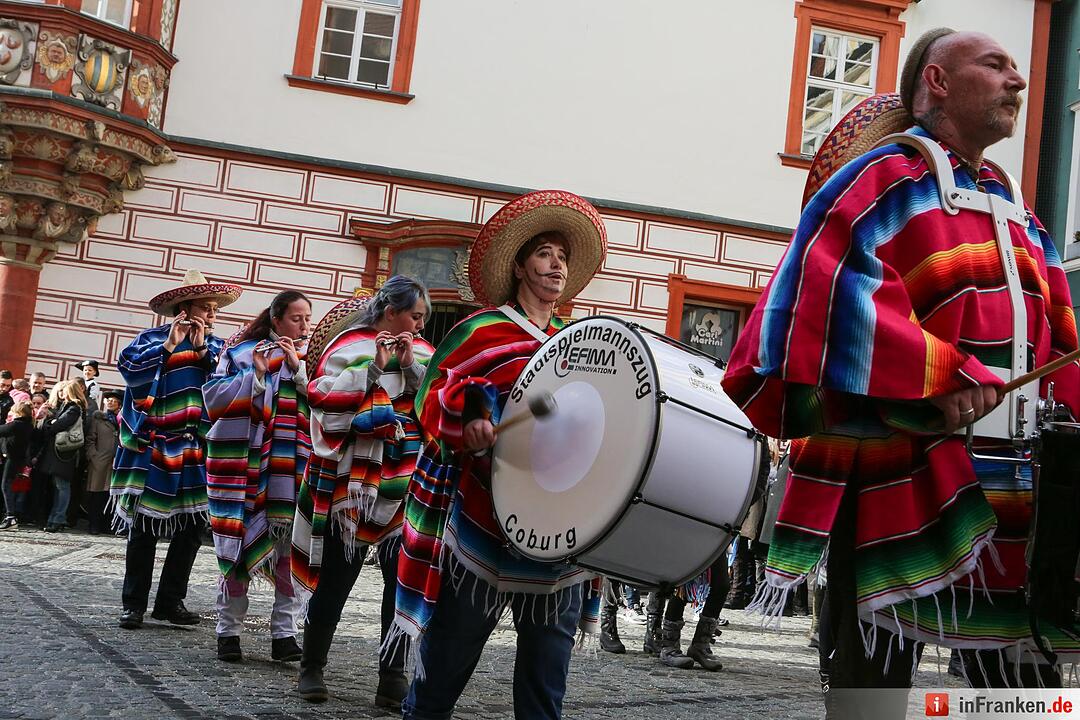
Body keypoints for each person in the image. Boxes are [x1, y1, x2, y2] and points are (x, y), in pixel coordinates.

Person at [721, 29, 1079, 716]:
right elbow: (821, 303)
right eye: (996, 65)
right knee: (872, 692)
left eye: (1017, 68)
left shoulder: (1023, 219)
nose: (1019, 81)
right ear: (938, 81)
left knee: (1029, 693)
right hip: (895, 466)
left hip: (1017, 489)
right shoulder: (881, 179)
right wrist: (945, 379)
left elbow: (1059, 338)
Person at [393, 190, 607, 720]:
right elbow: (433, 394)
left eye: (562, 256)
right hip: (484, 525)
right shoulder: (482, 330)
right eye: (544, 254)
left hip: (555, 536)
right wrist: (471, 421)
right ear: (519, 266)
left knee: (544, 686)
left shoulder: (577, 344)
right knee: (445, 666)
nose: (556, 264)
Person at [291, 276, 434, 708]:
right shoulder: (350, 345)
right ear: (390, 312)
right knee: (336, 577)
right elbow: (322, 399)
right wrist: (373, 366)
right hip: (350, 486)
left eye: (424, 318)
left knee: (400, 580)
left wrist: (409, 367)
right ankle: (311, 666)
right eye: (415, 315)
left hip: (405, 482)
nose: (421, 326)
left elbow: (436, 402)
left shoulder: (424, 352)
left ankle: (391, 676)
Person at [112, 269, 242, 630]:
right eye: (206, 307)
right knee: (144, 527)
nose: (213, 315)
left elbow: (226, 384)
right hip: (153, 443)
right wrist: (169, 346)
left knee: (190, 528)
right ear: (184, 309)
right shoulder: (149, 340)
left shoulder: (216, 347)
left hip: (195, 447)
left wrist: (200, 351)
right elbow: (132, 373)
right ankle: (133, 604)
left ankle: (170, 601)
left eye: (215, 309)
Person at [203, 290, 313, 664]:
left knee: (289, 555)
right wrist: (257, 375)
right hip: (245, 474)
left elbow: (326, 404)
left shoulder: (310, 359)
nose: (304, 326)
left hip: (291, 474)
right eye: (297, 318)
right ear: (277, 318)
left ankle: (285, 633)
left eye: (308, 319)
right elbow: (214, 399)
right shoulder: (239, 353)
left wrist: (298, 369)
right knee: (236, 553)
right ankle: (228, 631)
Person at [37, 380, 87, 533]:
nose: (60, 393)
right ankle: (54, 519)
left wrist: (50, 422)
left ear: (70, 392)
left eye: (63, 390)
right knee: (58, 486)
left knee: (62, 486)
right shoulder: (66, 407)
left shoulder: (73, 408)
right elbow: (52, 425)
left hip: (65, 453)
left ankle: (58, 519)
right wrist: (51, 422)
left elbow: (56, 426)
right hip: (60, 452)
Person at [85, 389, 122, 535]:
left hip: (117, 463)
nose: (110, 402)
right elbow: (90, 440)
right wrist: (93, 456)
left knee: (111, 496)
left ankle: (108, 525)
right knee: (97, 496)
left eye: (114, 400)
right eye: (108, 399)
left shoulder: (122, 420)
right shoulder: (99, 419)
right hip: (99, 463)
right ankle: (93, 525)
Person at [0, 401, 34, 529]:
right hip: (19, 460)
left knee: (6, 486)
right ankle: (11, 515)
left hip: (13, 459)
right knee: (12, 487)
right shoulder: (28, 424)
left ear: (18, 412)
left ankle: (10, 517)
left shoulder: (17, 424)